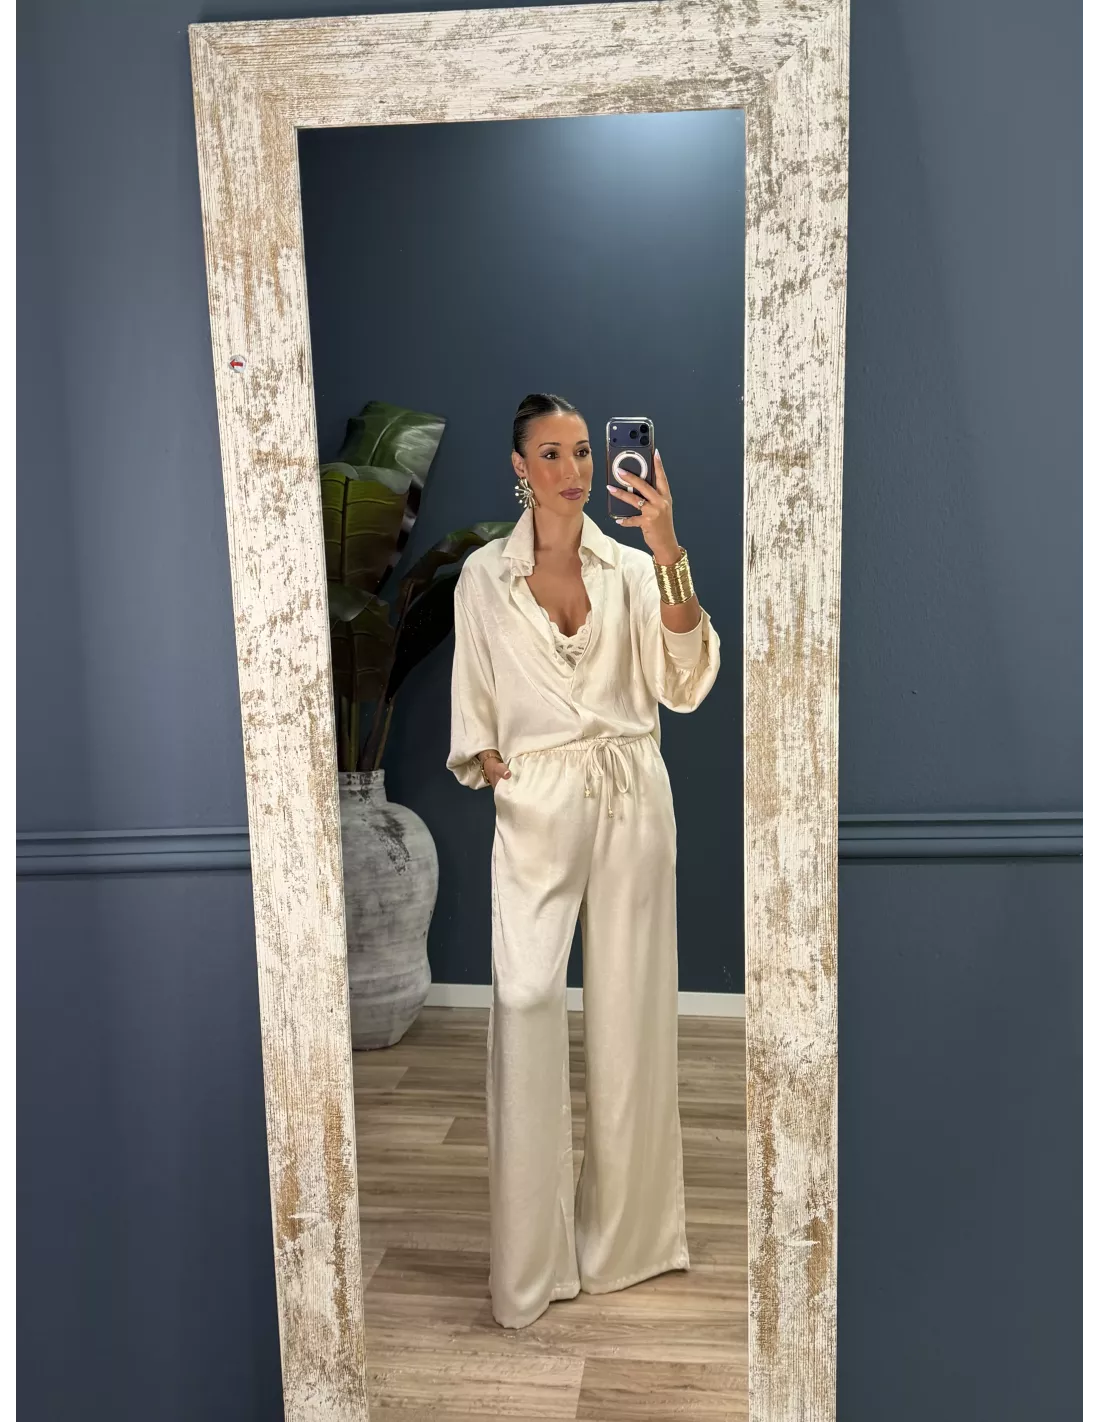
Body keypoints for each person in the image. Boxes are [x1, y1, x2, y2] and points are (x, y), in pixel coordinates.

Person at [446, 391, 720, 1329]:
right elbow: (474, 699)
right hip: (539, 800)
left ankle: (626, 1246)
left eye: (583, 452)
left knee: (631, 1011)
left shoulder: (638, 569)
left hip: (632, 788)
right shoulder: (483, 577)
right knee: (525, 999)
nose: (575, 471)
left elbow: (684, 683)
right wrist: (491, 759)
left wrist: (669, 545)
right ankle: (532, 1264)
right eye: (552, 454)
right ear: (519, 467)